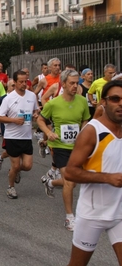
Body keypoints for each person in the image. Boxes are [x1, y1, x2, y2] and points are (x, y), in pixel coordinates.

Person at [64, 80, 122, 265]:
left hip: (119, 214)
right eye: (115, 99)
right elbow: (71, 172)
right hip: (93, 214)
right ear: (103, 102)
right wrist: (107, 178)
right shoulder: (92, 131)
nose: (121, 103)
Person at [37, 69, 90, 231]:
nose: (75, 86)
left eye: (77, 83)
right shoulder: (54, 103)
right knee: (70, 182)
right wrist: (48, 133)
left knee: (73, 182)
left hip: (77, 147)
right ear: (64, 84)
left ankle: (51, 182)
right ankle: (69, 218)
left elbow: (85, 120)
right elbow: (40, 119)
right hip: (59, 146)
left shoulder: (81, 101)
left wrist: (83, 131)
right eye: (72, 83)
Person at [0, 70, 39, 199]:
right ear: (14, 82)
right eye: (20, 82)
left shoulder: (32, 96)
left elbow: (35, 110)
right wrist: (14, 120)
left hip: (26, 136)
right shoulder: (9, 98)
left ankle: (14, 172)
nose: (23, 84)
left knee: (27, 166)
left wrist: (36, 114)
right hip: (12, 136)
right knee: (15, 165)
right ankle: (11, 187)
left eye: (25, 81)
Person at [0, 79, 15, 171]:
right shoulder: (2, 99)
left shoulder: (21, 98)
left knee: (19, 150)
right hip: (6, 127)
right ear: (8, 87)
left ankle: (15, 168)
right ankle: (1, 157)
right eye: (12, 86)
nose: (14, 88)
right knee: (10, 150)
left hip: (20, 127)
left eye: (15, 85)